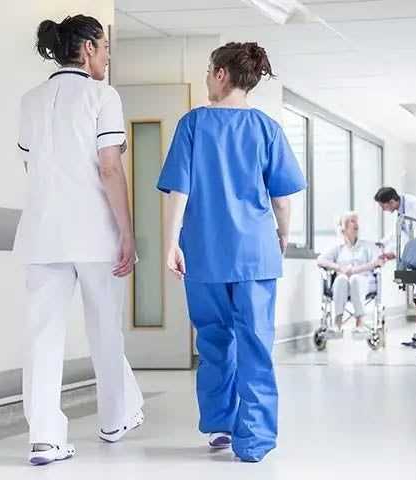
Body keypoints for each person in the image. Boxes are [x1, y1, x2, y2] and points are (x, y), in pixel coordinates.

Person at [157, 42, 306, 463]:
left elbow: (179, 191)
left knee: (214, 340)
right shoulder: (266, 128)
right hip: (255, 254)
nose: (206, 78)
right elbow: (282, 196)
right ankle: (254, 439)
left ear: (222, 74)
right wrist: (281, 234)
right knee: (256, 343)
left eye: (208, 71)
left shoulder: (193, 124)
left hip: (204, 250)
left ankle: (221, 425)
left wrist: (171, 243)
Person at [16, 15, 144, 466]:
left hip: (41, 234)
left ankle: (44, 438)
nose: (108, 55)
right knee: (105, 327)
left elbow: (33, 169)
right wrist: (127, 231)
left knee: (42, 336)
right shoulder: (102, 96)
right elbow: (110, 167)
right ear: (88, 48)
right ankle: (114, 418)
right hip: (94, 232)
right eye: (105, 46)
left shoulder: (30, 100)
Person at [374, 187, 416, 348]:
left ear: (391, 201)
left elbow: (414, 234)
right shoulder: (402, 208)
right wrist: (383, 243)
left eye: (383, 206)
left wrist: (396, 254)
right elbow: (399, 231)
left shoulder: (413, 207)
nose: (383, 210)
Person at [317, 212, 384, 337]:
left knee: (354, 279)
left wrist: (355, 270)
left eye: (356, 221)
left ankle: (360, 322)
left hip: (364, 282)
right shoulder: (338, 247)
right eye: (352, 221)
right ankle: (337, 323)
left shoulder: (367, 246)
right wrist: (339, 267)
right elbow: (320, 260)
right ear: (343, 228)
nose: (356, 224)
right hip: (343, 285)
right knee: (341, 279)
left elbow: (378, 262)